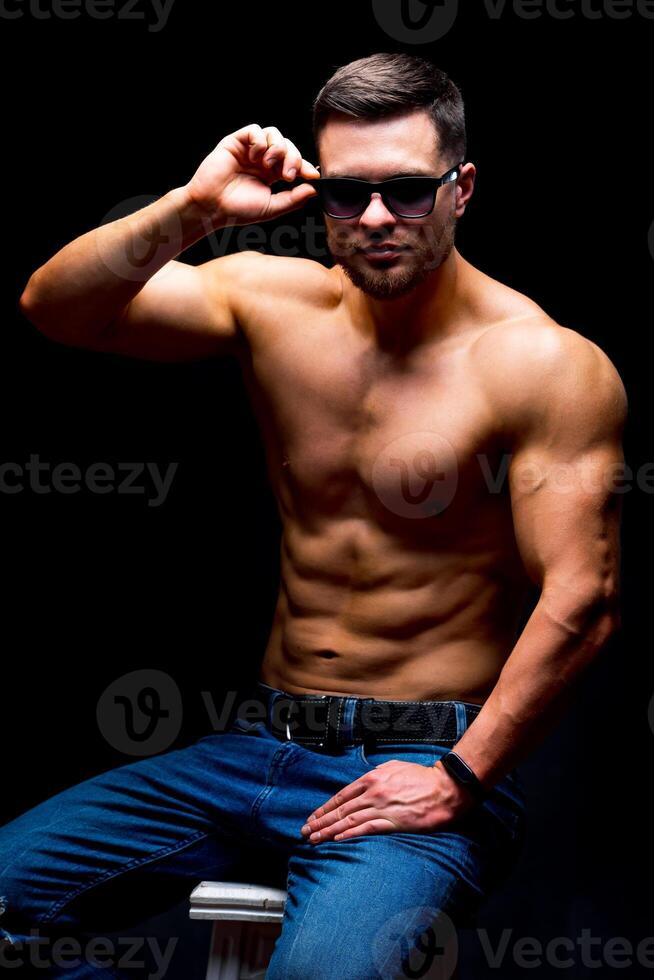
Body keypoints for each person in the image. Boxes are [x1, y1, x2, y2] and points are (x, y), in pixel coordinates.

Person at [5, 52, 626, 979]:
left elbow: (584, 601)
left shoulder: (543, 364)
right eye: (347, 193)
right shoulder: (273, 302)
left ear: (462, 188)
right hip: (253, 743)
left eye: (408, 191)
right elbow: (54, 308)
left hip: (420, 769)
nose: (375, 219)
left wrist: (460, 777)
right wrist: (197, 208)